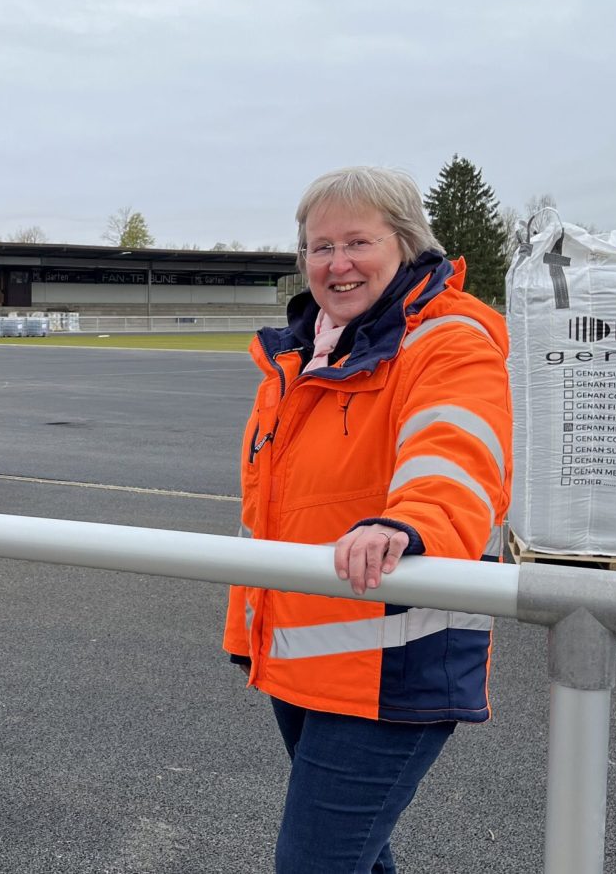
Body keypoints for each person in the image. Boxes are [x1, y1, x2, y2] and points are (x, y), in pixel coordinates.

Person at [223, 166, 512, 873]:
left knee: (315, 864)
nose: (337, 263)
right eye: (320, 247)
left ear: (407, 245)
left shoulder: (446, 343)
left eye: (358, 242)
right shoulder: (301, 358)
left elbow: (456, 453)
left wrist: (408, 526)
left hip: (394, 661)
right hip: (304, 650)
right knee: (354, 858)